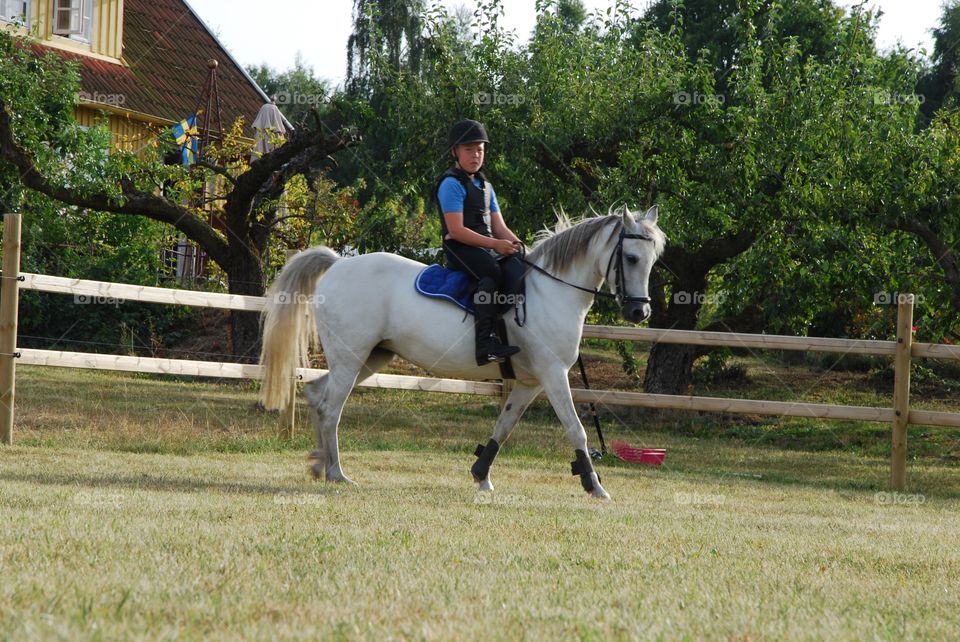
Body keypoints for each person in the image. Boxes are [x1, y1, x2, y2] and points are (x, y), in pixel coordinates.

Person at [436, 119, 525, 366]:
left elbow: (499, 227)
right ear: (455, 151)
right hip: (459, 248)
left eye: (480, 150)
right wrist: (495, 245)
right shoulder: (451, 184)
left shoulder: (486, 185)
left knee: (517, 265)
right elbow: (456, 231)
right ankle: (485, 346)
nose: (476, 155)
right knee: (492, 271)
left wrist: (519, 244)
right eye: (469, 150)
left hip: (483, 246)